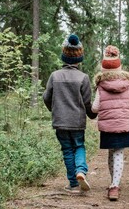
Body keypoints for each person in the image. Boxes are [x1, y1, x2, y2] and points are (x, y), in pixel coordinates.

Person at [43, 34, 98, 194]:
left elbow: (46, 97)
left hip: (60, 121)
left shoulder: (55, 76)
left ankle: (73, 184)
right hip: (77, 122)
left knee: (67, 150)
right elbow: (87, 102)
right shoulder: (83, 78)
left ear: (63, 56)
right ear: (79, 58)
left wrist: (55, 110)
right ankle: (81, 170)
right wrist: (92, 115)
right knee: (79, 146)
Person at [91, 45, 129, 201]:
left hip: (108, 127)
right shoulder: (127, 84)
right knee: (118, 153)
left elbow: (95, 108)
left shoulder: (100, 86)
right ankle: (114, 184)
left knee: (112, 153)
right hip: (123, 125)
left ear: (103, 68)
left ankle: (114, 184)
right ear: (120, 67)